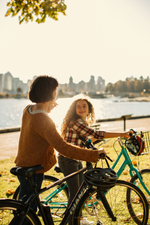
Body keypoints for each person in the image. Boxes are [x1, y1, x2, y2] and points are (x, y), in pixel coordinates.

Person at [14, 76, 106, 225]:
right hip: (34, 170)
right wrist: (93, 154)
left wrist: (48, 107)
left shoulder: (28, 110)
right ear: (49, 93)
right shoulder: (44, 120)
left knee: (25, 211)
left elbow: (36, 127)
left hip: (22, 163)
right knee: (24, 218)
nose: (56, 93)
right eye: (55, 90)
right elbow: (64, 148)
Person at [58, 98, 133, 225]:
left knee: (81, 191)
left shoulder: (81, 122)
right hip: (68, 160)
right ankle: (71, 222)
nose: (81, 109)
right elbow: (96, 133)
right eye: (78, 107)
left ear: (89, 109)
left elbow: (87, 138)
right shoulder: (76, 122)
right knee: (75, 194)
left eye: (84, 106)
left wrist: (96, 148)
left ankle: (79, 219)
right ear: (74, 110)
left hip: (76, 158)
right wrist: (122, 133)